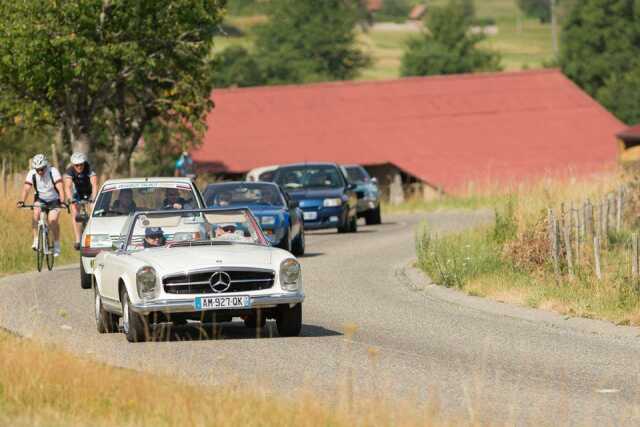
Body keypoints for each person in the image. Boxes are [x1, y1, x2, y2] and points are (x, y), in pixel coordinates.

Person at [16, 154, 65, 256]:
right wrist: (22, 201)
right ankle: (36, 239)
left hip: (54, 199)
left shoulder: (53, 171)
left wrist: (63, 201)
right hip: (40, 198)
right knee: (36, 214)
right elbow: (26, 188)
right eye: (37, 169)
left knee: (52, 221)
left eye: (42, 169)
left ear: (46, 166)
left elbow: (60, 188)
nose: (40, 172)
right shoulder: (32, 173)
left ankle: (56, 244)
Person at [64, 152, 98, 250]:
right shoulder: (70, 171)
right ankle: (78, 239)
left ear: (84, 163)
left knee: (94, 209)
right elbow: (67, 187)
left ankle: (94, 233)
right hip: (78, 193)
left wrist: (93, 199)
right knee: (74, 212)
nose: (79, 167)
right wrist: (70, 199)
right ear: (73, 165)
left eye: (81, 164)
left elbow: (95, 185)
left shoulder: (89, 168)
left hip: (90, 192)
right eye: (76, 165)